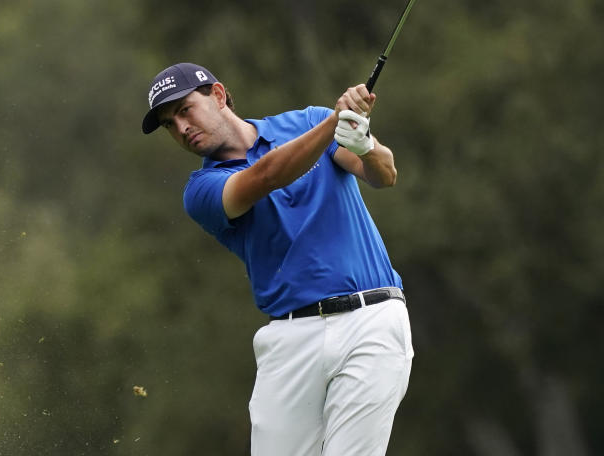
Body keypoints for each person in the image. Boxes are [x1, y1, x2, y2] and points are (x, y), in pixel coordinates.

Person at [142, 62, 413, 456]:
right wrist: (336, 121)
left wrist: (365, 145)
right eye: (169, 124)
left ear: (218, 95)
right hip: (290, 341)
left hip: (371, 320)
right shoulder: (201, 191)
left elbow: (384, 174)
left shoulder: (310, 121)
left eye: (185, 110)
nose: (181, 128)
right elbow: (266, 176)